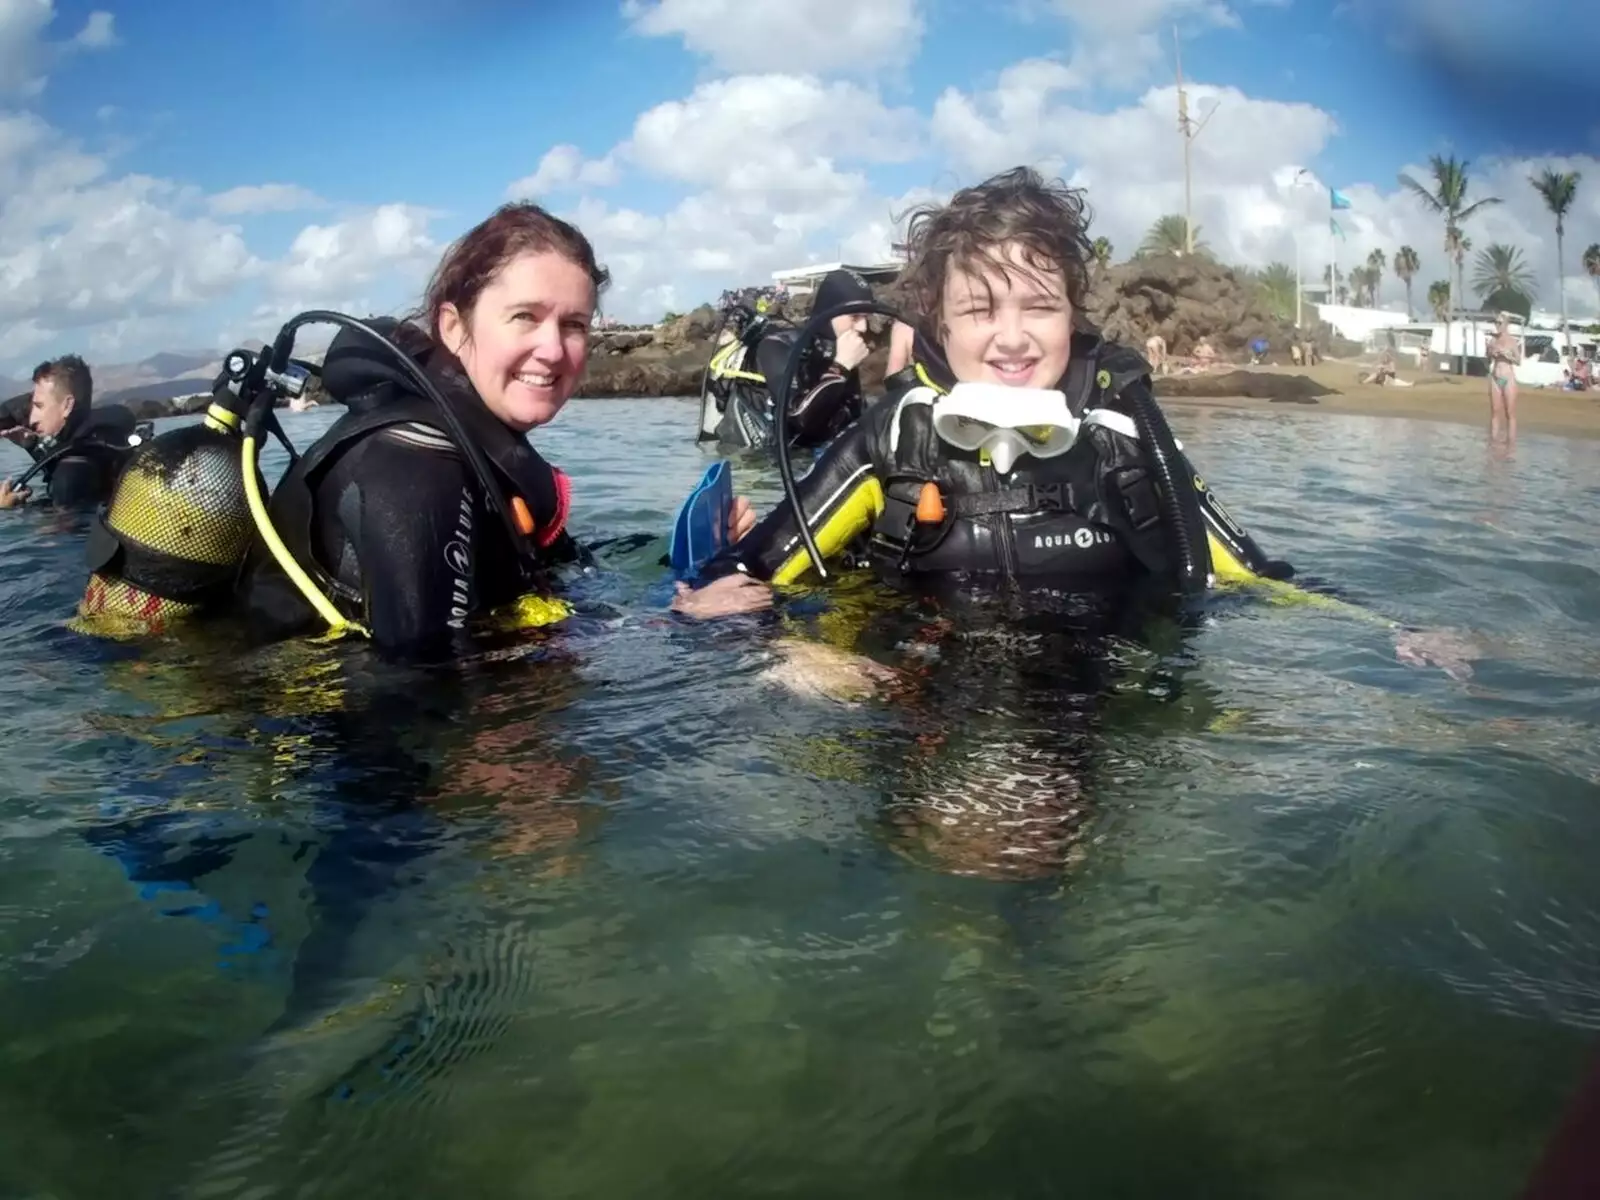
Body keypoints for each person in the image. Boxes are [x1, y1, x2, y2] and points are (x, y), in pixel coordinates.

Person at [686, 166, 1290, 608]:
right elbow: (748, 570)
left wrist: (1378, 634)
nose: (1012, 338)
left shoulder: (1127, 441)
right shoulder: (897, 444)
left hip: (1088, 734)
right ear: (940, 322)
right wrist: (775, 644)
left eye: (1040, 308)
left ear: (1073, 313)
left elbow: (1266, 584)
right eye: (980, 310)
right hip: (922, 714)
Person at [236, 201, 757, 660]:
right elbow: (423, 692)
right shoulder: (412, 466)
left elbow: (559, 582)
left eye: (573, 324)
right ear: (454, 327)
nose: (553, 349)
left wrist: (686, 568)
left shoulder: (476, 446)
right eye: (525, 317)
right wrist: (676, 624)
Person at [710, 268, 874, 453]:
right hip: (753, 463)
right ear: (830, 312)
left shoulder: (840, 352)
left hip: (807, 458)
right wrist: (841, 368)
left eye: (866, 317)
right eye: (855, 317)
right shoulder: (777, 347)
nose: (863, 326)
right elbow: (796, 417)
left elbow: (855, 415)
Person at [0, 354, 142, 510]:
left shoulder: (70, 474)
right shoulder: (95, 445)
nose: (32, 418)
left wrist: (9, 509)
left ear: (67, 405)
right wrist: (33, 445)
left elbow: (61, 529)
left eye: (39, 406)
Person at [1486, 312, 1520, 441]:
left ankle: (1511, 444)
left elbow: (1518, 361)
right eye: (1496, 322)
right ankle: (1493, 442)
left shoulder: (1511, 341)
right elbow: (1488, 360)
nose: (1497, 325)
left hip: (1508, 379)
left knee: (1509, 413)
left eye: (1500, 323)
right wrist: (1491, 353)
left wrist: (1508, 355)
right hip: (1495, 378)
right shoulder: (1493, 340)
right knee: (1495, 412)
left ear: (1506, 324)